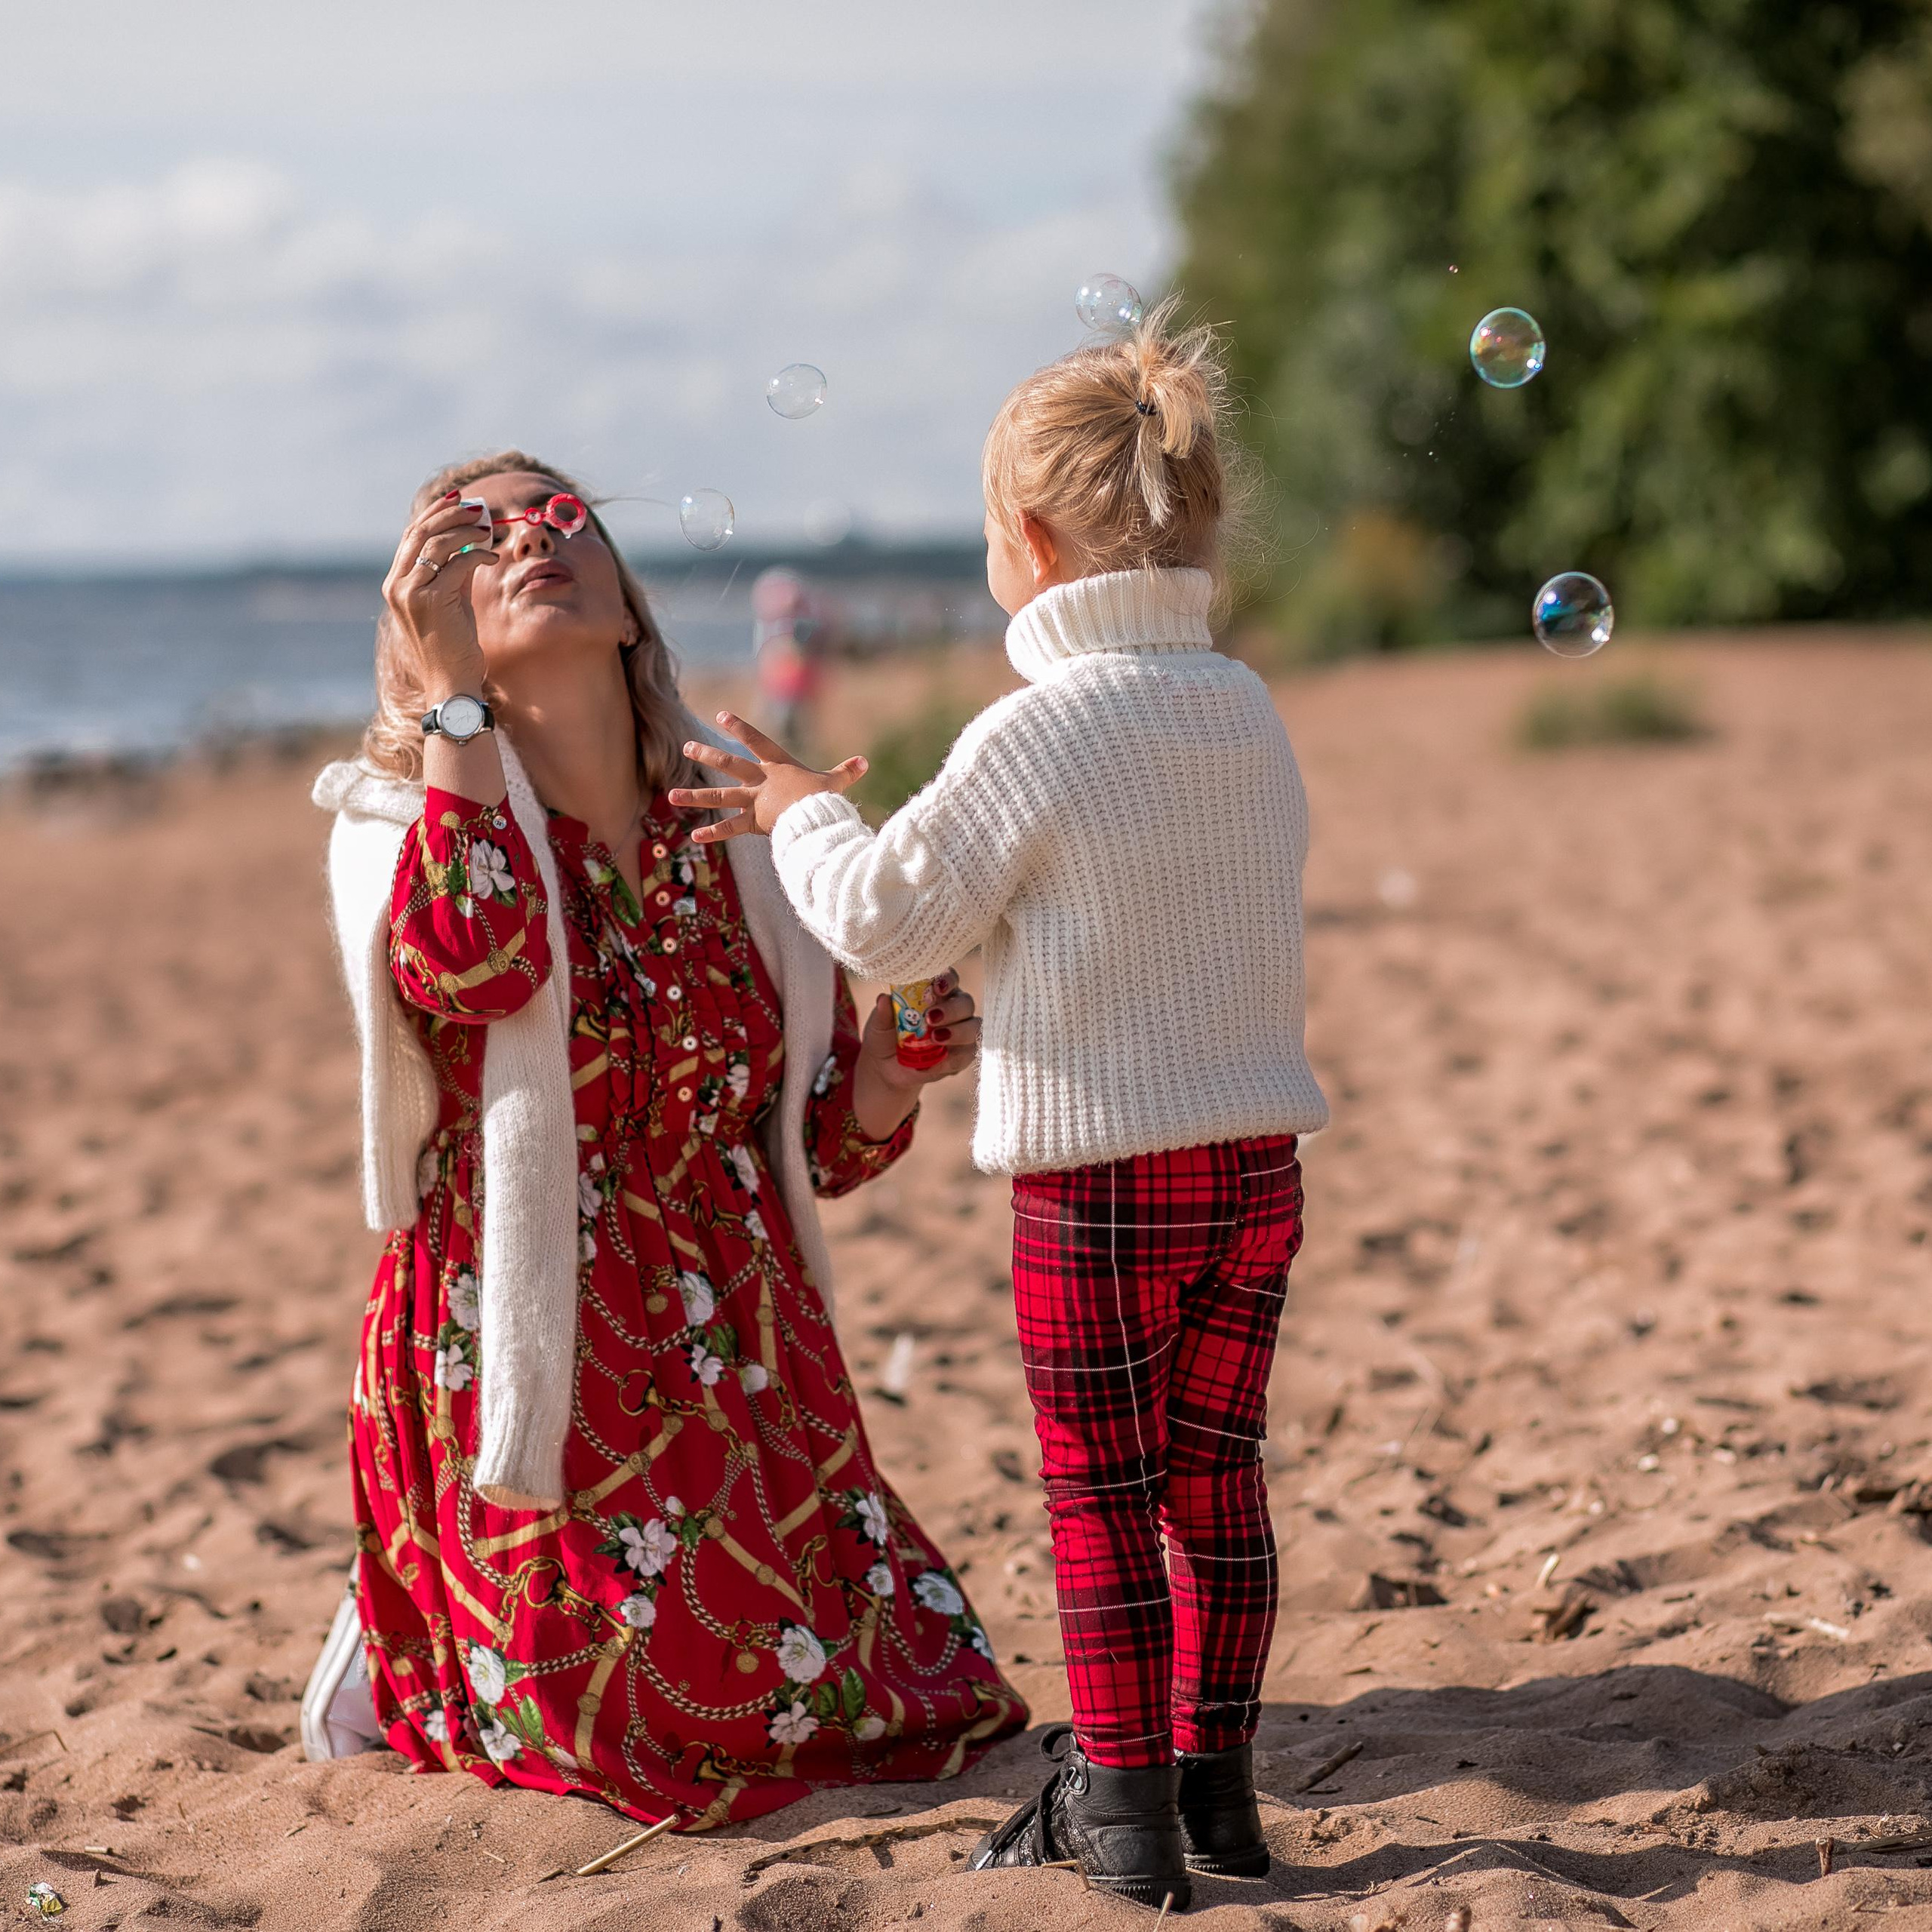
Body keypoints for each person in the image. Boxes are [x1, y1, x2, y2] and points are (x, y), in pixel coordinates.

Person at [669, 306, 1327, 1908]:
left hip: (1096, 1183)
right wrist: (1015, 974)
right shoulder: (1238, 708)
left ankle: (1117, 1814)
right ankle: (1216, 1786)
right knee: (1214, 1481)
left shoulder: (1040, 725)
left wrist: (796, 814)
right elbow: (1145, 915)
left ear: (1026, 545)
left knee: (1100, 1496)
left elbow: (890, 915)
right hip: (1250, 1162)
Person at [303, 451, 1024, 1832]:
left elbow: (810, 1146)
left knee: (920, 1704)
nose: (532, 541)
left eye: (563, 516)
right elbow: (484, 965)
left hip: (745, 1352)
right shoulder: (397, 821)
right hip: (532, 1342)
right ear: (426, 612)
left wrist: (888, 1068)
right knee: (636, 1735)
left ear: (628, 607)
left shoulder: (734, 830)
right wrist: (453, 697)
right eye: (480, 535)